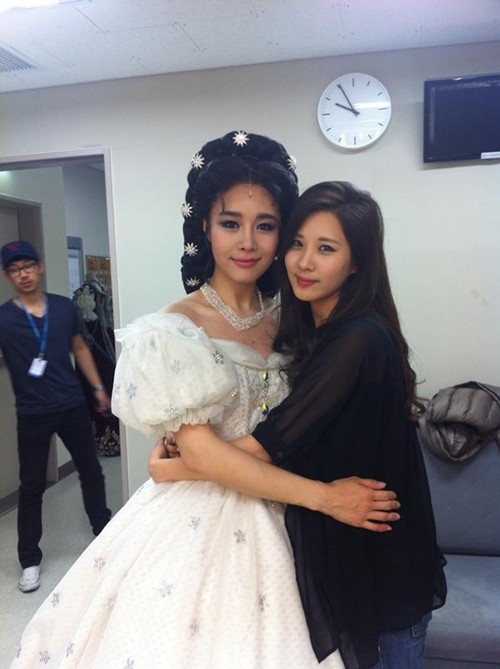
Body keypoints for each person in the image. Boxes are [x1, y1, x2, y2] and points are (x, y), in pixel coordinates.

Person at [9, 133, 398, 668]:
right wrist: (324, 498)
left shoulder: (297, 317)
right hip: (203, 523)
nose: (248, 242)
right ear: (204, 228)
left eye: (266, 225)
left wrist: (175, 465)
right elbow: (200, 455)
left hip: (299, 524)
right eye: (230, 223)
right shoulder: (172, 327)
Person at [152, 181, 447, 669]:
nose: (304, 263)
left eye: (326, 249)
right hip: (347, 553)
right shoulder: (313, 331)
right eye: (297, 243)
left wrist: (175, 466)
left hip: (381, 567)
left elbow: (270, 443)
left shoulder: (355, 339)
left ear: (357, 263)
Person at [0, 240, 112, 594]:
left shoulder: (63, 308)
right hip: (32, 413)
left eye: (28, 266)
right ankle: (29, 561)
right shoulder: (4, 318)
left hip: (71, 405)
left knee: (91, 471)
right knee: (32, 487)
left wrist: (98, 388)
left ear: (40, 267)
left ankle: (104, 533)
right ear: (8, 276)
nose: (23, 274)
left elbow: (79, 348)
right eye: (15, 269)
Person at [73, 278, 120, 457]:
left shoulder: (88, 330)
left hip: (94, 375)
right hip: (99, 374)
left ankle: (102, 443)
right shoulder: (97, 330)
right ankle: (106, 443)